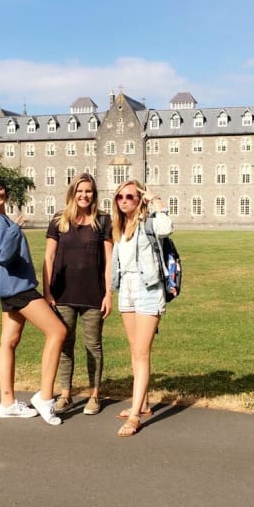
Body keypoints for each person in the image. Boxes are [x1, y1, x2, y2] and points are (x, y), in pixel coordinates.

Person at [0, 176, 67, 425]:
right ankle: (45, 398)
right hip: (18, 288)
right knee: (58, 331)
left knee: (9, 342)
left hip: (8, 288)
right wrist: (15, 229)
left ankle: (7, 404)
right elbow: (4, 255)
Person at [43, 173, 113, 415]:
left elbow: (109, 259)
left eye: (89, 191)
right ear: (73, 192)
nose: (84, 195)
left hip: (94, 293)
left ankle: (94, 394)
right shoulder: (58, 220)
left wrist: (108, 294)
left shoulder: (103, 220)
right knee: (65, 344)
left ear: (94, 194)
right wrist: (47, 291)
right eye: (80, 191)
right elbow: (49, 257)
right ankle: (65, 394)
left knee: (93, 345)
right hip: (63, 293)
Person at [111, 180, 173, 437]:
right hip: (126, 290)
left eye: (130, 197)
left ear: (139, 200)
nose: (124, 200)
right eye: (120, 197)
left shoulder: (149, 222)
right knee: (134, 349)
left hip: (148, 289)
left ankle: (135, 414)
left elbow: (167, 228)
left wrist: (154, 199)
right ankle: (144, 402)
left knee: (141, 353)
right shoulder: (119, 226)